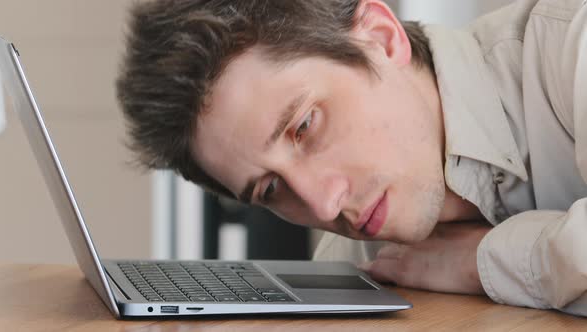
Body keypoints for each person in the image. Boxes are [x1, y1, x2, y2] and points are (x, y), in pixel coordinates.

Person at [115, 0, 587, 316]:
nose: (323, 205)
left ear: (381, 39)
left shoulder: (569, 42)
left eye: (305, 126)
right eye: (271, 189)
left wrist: (483, 262)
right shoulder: (361, 265)